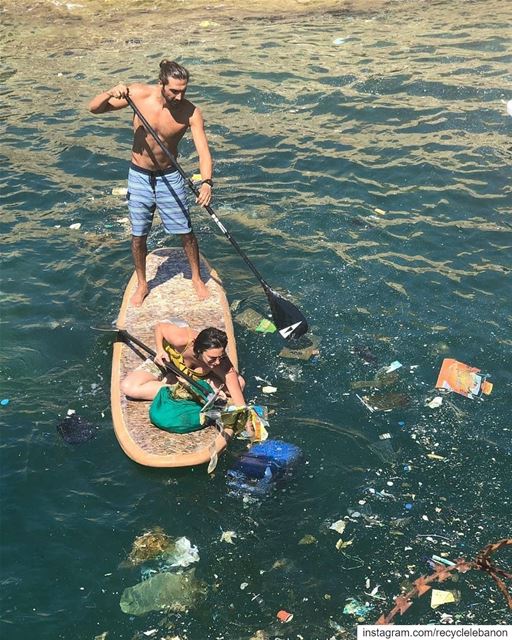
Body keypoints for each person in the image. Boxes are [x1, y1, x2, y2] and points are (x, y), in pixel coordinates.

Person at [89, 60, 213, 306]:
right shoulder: (138, 95)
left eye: (183, 90)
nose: (179, 96)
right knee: (139, 235)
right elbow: (94, 108)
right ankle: (143, 283)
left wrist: (207, 182)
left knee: (186, 233)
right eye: (174, 91)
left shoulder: (190, 112)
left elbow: (204, 151)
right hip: (139, 176)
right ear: (161, 84)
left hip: (170, 176)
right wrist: (109, 92)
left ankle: (196, 278)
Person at [121, 323, 246, 407]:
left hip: (196, 377)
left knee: (239, 384)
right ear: (198, 351)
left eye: (221, 356)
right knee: (128, 387)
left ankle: (180, 386)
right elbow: (160, 327)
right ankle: (188, 389)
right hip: (166, 362)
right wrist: (160, 350)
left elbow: (240, 404)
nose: (218, 362)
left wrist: (249, 425)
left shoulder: (221, 363)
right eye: (212, 358)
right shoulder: (181, 339)